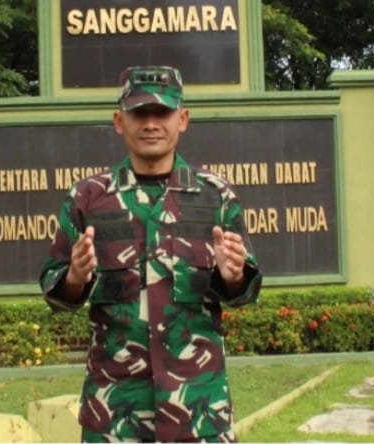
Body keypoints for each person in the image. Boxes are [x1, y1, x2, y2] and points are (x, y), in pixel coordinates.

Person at [40, 66, 262, 443]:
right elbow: (55, 290)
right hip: (114, 413)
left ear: (183, 119)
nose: (151, 123)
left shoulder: (216, 196)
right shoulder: (87, 199)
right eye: (139, 113)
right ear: (118, 121)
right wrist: (76, 278)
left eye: (162, 113)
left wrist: (234, 275)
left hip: (199, 410)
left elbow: (245, 290)